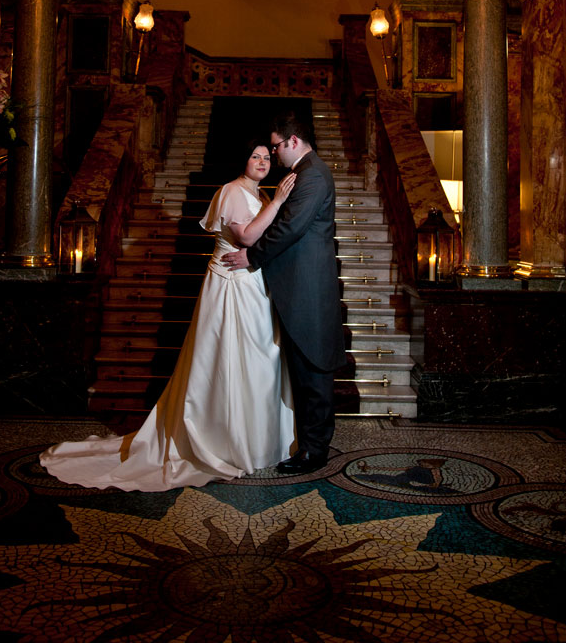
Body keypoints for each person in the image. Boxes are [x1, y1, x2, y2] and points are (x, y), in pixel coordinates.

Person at [39, 142, 297, 491]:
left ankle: (256, 439)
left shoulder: (261, 196)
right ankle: (223, 440)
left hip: (253, 286)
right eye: (255, 156)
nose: (263, 162)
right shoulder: (233, 191)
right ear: (244, 161)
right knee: (227, 360)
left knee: (257, 360)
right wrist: (281, 202)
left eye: (267, 157)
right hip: (230, 287)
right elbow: (247, 235)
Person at [222, 113, 345, 475]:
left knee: (314, 371)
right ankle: (309, 443)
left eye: (275, 147)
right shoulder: (305, 174)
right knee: (307, 371)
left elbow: (290, 228)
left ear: (293, 141)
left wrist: (252, 256)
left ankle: (314, 451)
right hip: (299, 284)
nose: (273, 155)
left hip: (307, 287)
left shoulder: (313, 175)